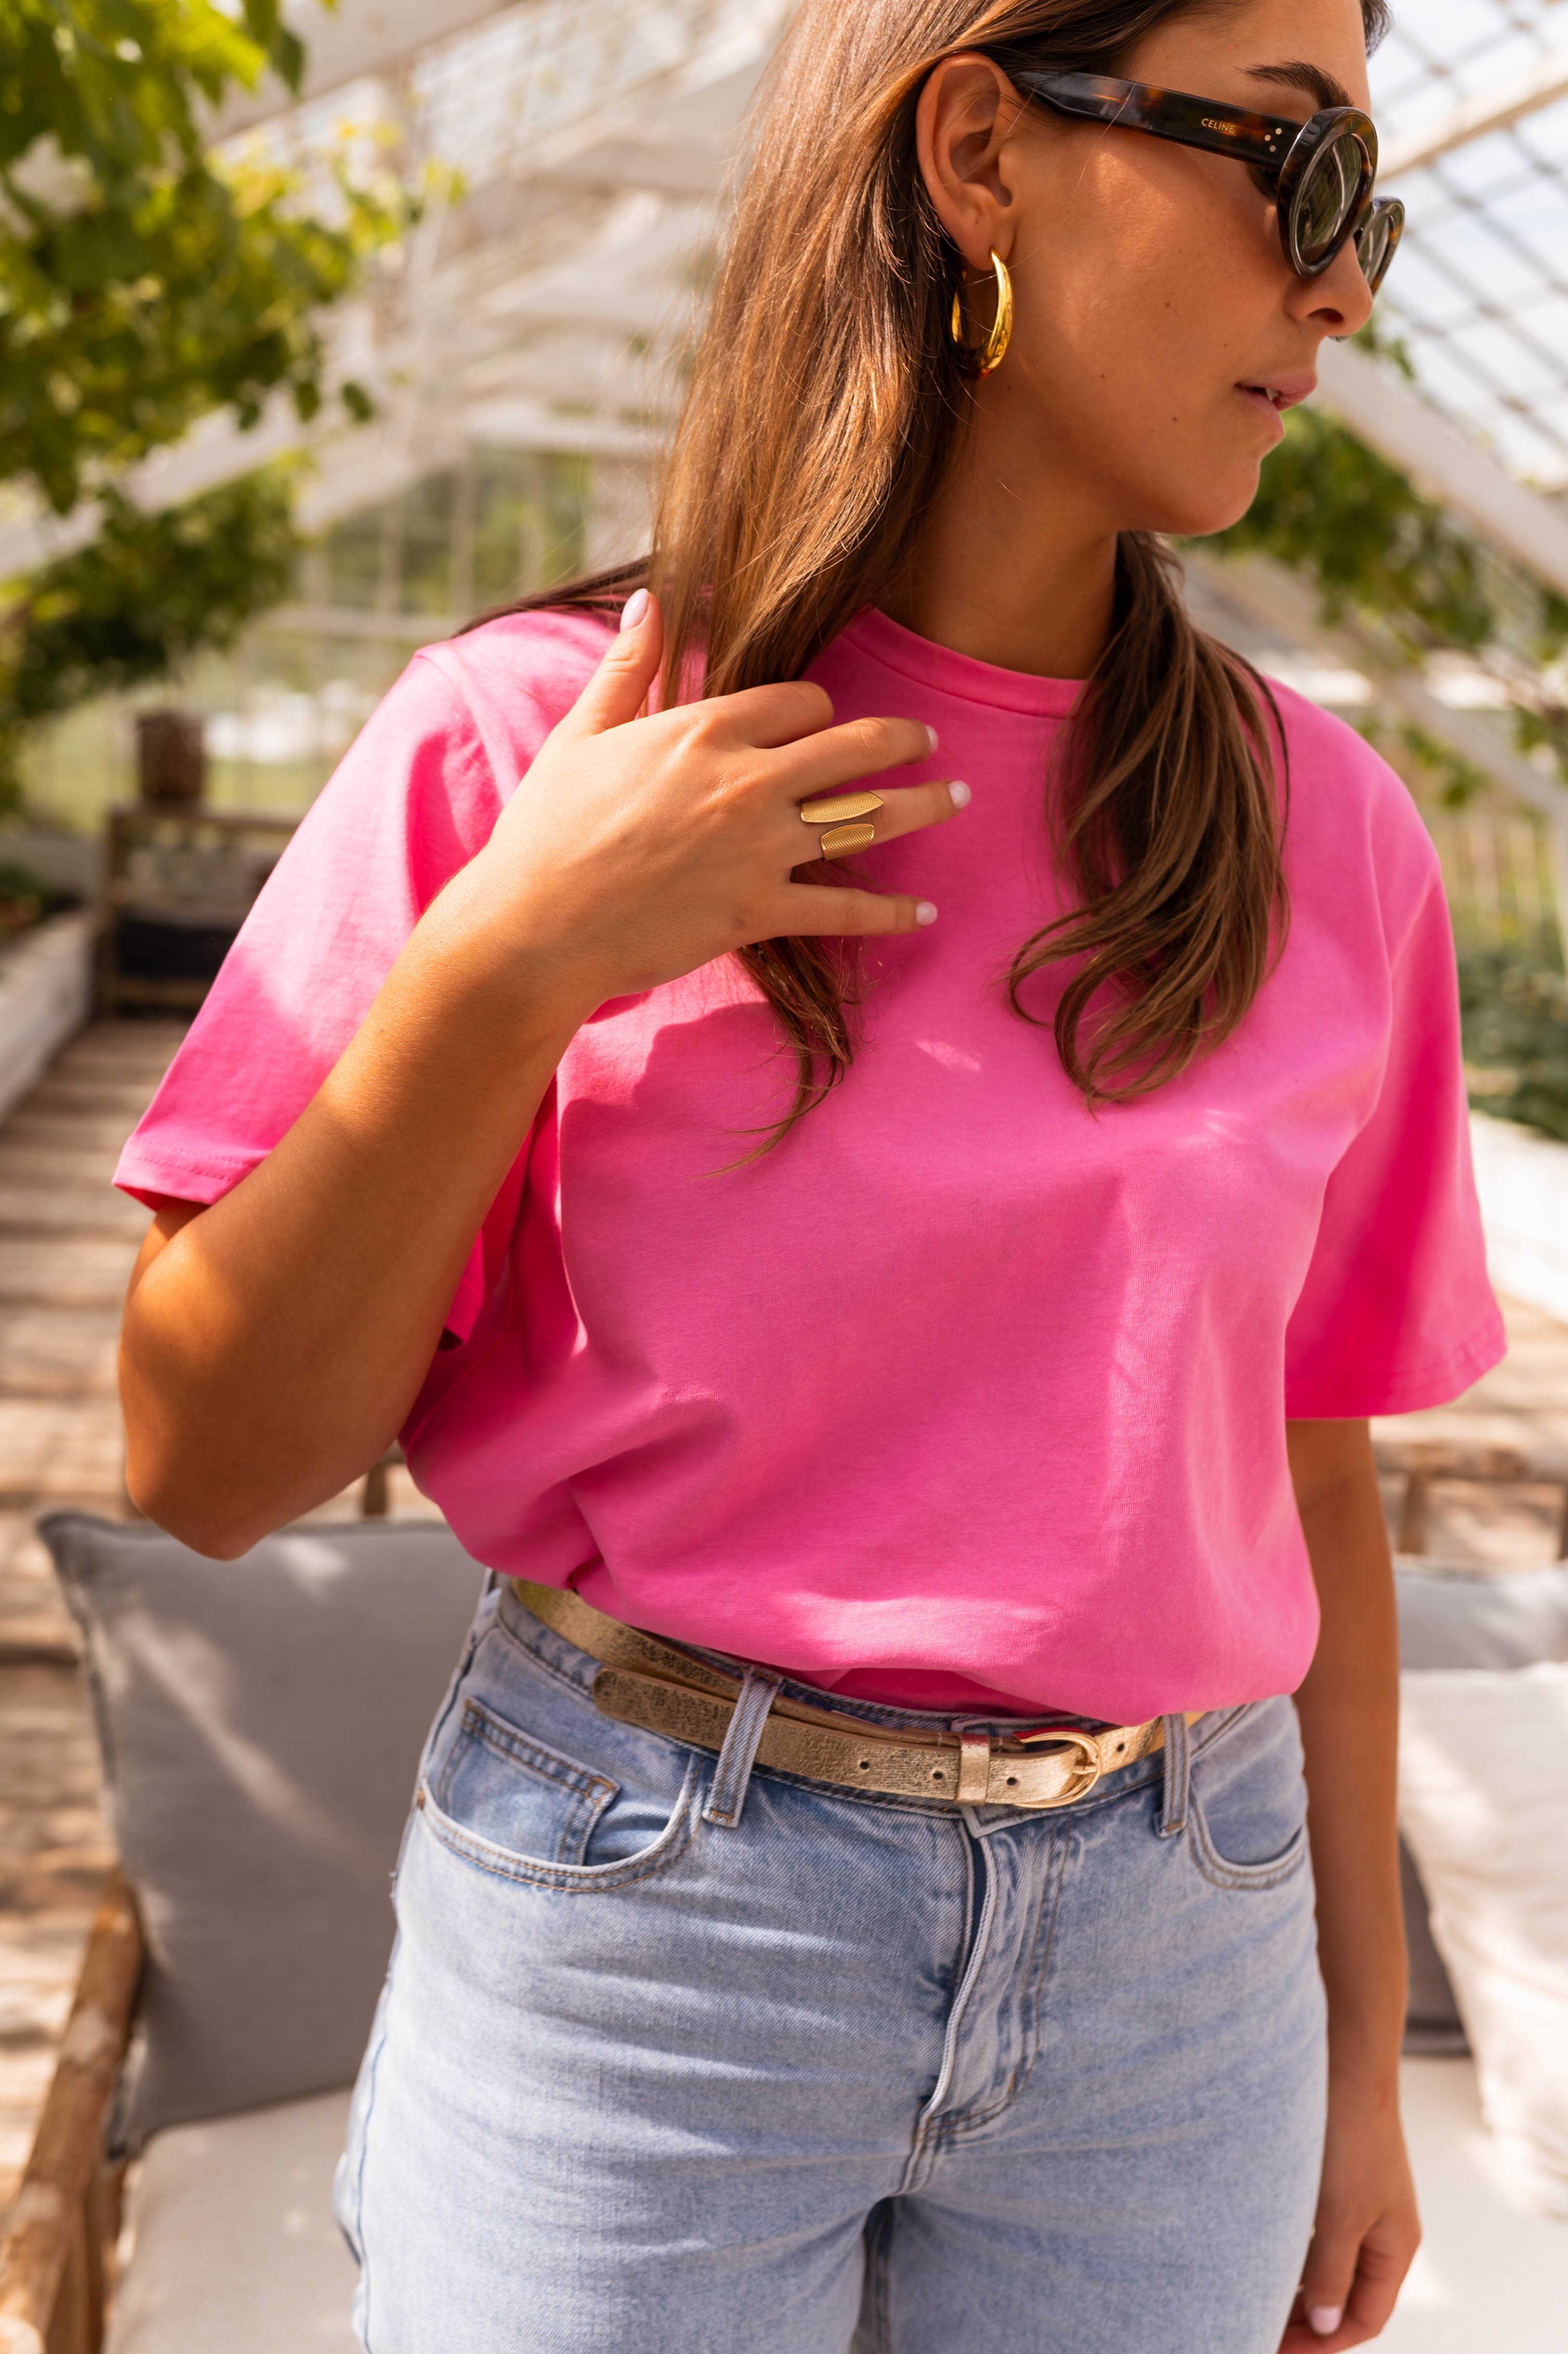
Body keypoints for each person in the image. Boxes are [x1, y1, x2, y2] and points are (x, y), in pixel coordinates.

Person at [116, 1, 1501, 2347]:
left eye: (1362, 210)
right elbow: (208, 1461)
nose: (1340, 287)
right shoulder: (524, 746)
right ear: (977, 145)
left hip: (1185, 1950)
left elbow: (1314, 1485)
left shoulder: (1328, 839)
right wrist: (513, 962)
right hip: (647, 1919)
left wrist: (1361, 2062)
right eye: (1284, 172)